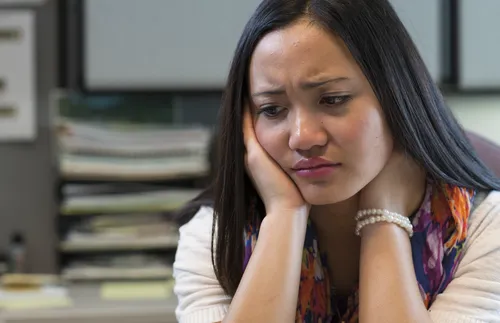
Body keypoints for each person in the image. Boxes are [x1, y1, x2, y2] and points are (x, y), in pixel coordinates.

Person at [173, 0, 500, 322]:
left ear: (398, 99)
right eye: (272, 109)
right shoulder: (217, 234)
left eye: (333, 99)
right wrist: (284, 216)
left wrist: (383, 219)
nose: (302, 137)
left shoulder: (485, 228)